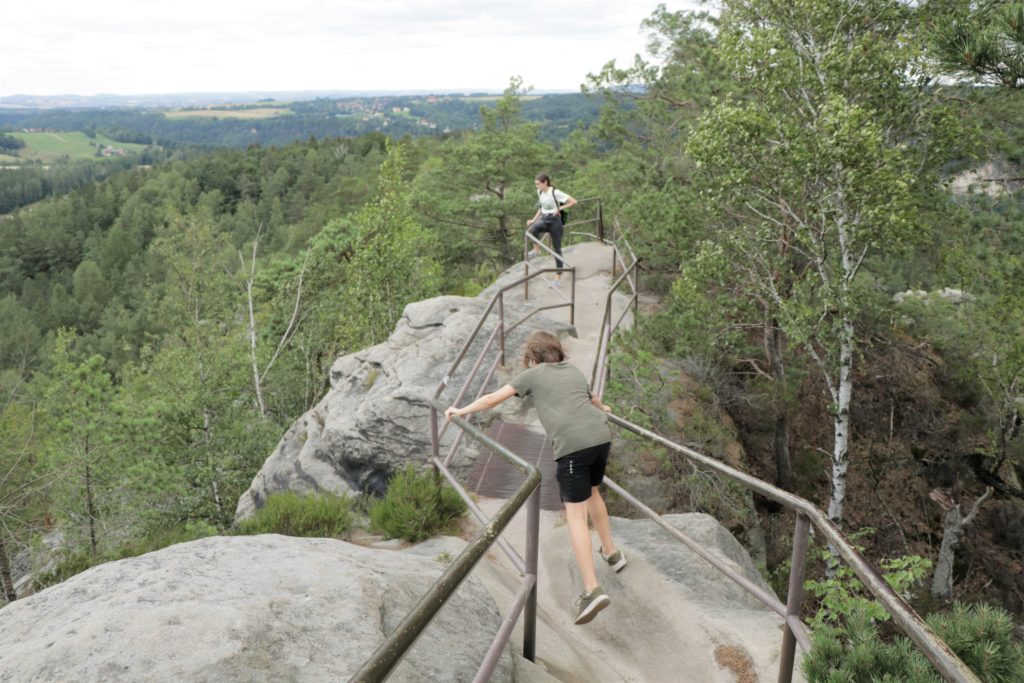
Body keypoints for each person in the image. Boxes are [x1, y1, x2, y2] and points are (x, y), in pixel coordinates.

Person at [444, 330, 627, 625]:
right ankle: (611, 552)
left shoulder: (533, 374)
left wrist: (460, 410)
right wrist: (604, 408)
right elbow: (591, 398)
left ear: (532, 357)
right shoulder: (573, 370)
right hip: (600, 437)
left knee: (576, 516)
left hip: (573, 446)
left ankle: (593, 589)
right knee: (594, 491)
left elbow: (493, 398)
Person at [525, 173, 577, 287]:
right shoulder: (539, 192)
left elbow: (573, 201)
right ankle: (537, 250)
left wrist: (559, 208)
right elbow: (541, 207)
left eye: (538, 184)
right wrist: (534, 219)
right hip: (545, 219)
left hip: (555, 222)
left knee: (556, 250)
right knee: (533, 229)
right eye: (536, 184)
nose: (537, 186)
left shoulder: (555, 192)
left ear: (545, 182)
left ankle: (558, 278)